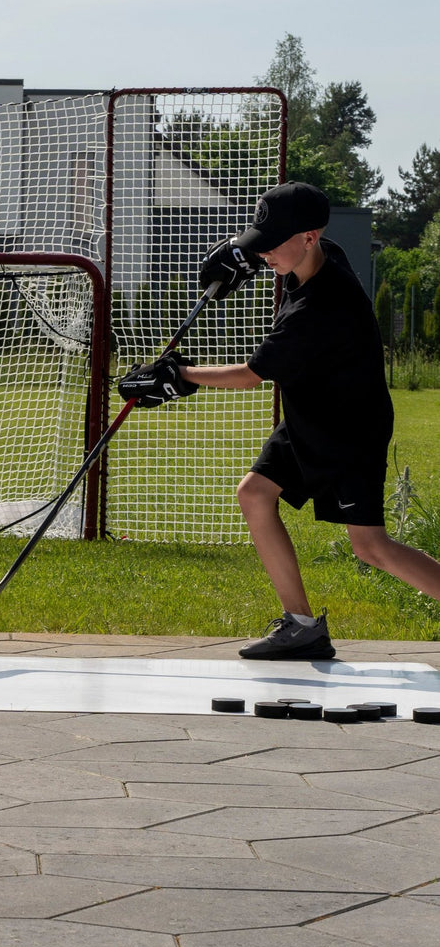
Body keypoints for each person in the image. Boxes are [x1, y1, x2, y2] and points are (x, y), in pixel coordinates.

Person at [118, 181, 440, 660]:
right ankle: (302, 627)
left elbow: (250, 375)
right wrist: (244, 256)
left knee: (371, 547)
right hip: (310, 416)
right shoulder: (319, 256)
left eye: (271, 245)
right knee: (254, 494)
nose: (265, 253)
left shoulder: (321, 305)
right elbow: (276, 252)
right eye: (260, 242)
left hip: (350, 431)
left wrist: (177, 376)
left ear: (308, 237)